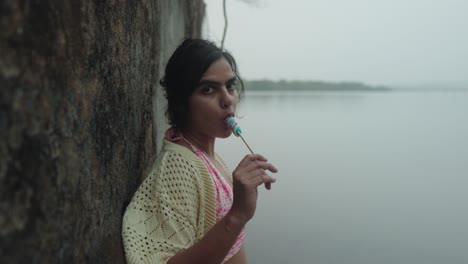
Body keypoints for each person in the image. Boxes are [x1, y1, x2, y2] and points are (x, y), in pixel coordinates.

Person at [122, 38, 278, 264]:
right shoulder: (178, 170)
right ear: (181, 101)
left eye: (230, 86)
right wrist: (237, 215)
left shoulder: (208, 159)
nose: (227, 99)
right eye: (208, 89)